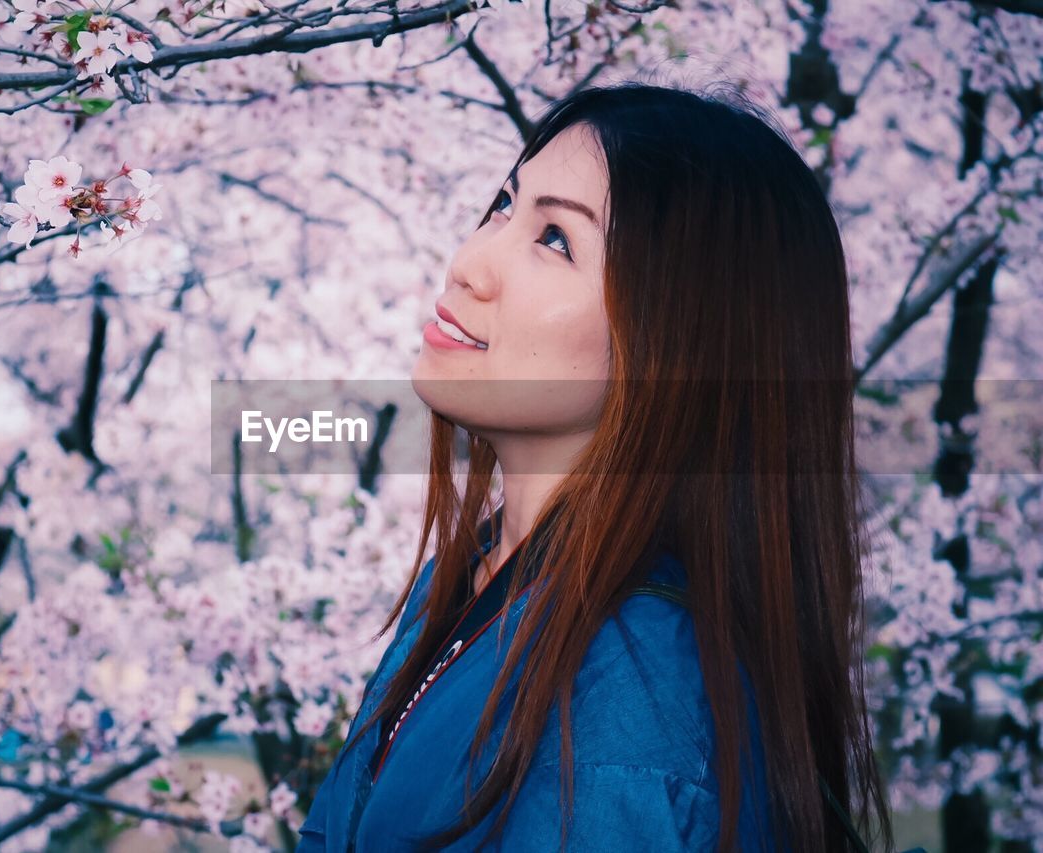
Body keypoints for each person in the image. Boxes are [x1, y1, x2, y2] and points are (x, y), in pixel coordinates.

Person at [296, 81, 897, 852]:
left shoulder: (634, 696)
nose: (471, 263)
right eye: (505, 207)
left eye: (555, 239)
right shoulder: (474, 571)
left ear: (677, 341)